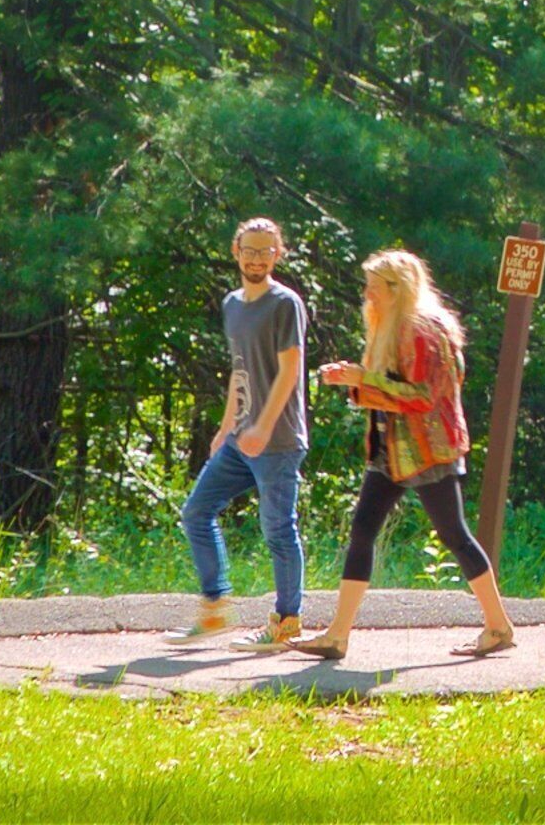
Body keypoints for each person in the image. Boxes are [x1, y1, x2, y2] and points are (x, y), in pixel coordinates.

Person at [293, 249, 515, 661]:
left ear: (397, 290)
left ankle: (499, 626)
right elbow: (389, 388)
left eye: (373, 288)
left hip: (428, 450)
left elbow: (423, 398)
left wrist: (365, 379)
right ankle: (337, 635)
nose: (368, 295)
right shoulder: (393, 325)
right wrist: (354, 381)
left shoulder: (423, 330)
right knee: (363, 529)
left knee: (455, 536)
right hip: (390, 451)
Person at [171, 218, 309, 647]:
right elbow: (240, 370)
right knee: (196, 513)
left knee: (278, 531)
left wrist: (264, 427)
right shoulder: (232, 303)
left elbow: (290, 371)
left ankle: (286, 623)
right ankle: (215, 610)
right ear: (236, 252)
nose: (255, 258)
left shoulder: (285, 303)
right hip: (240, 440)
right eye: (248, 250)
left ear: (278, 254)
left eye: (265, 251)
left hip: (278, 439)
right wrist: (226, 426)